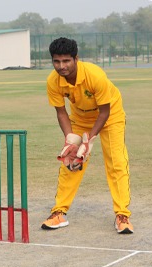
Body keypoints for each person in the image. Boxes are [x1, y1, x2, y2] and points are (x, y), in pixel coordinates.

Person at [41, 37, 133, 234]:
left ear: (76, 59)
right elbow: (61, 113)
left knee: (116, 162)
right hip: (80, 117)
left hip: (110, 116)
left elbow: (104, 112)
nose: (61, 66)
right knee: (71, 162)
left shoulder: (94, 75)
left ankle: (122, 215)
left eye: (66, 61)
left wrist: (88, 141)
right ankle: (58, 212)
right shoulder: (53, 81)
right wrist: (71, 141)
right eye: (56, 61)